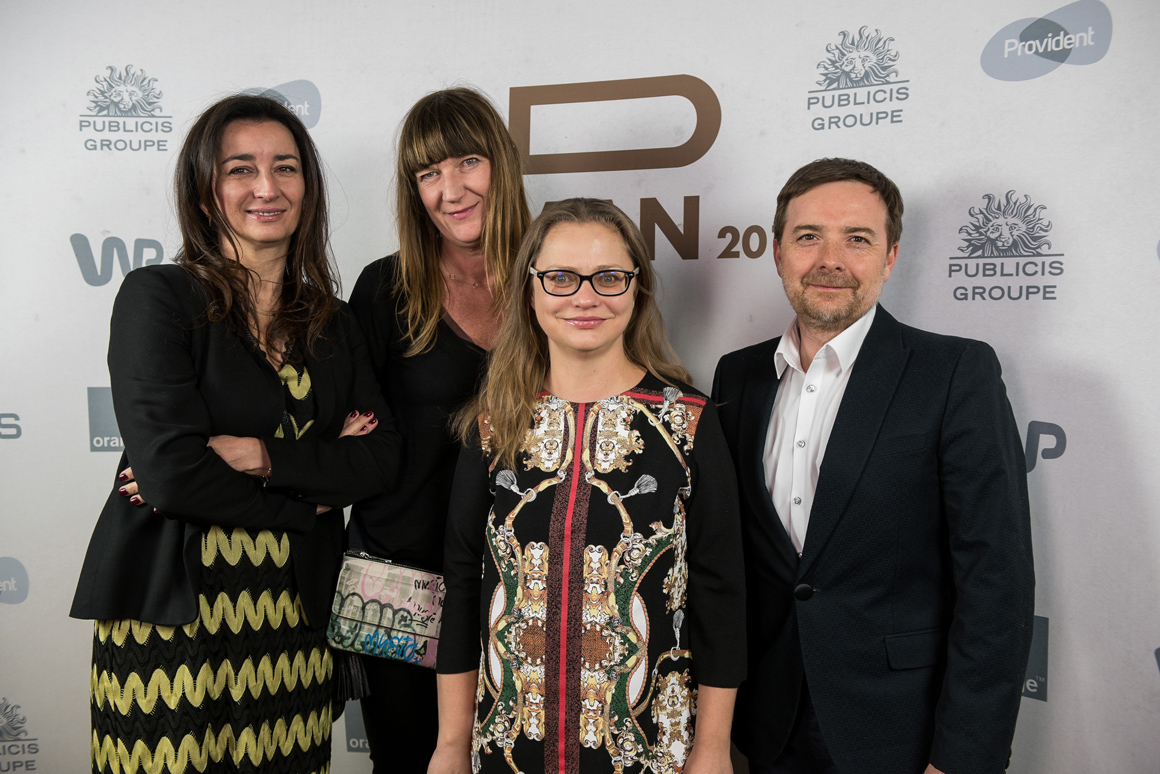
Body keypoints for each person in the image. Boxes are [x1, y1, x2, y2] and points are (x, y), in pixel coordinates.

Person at [70, 94, 400, 774]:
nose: (266, 187)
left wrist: (257, 454)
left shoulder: (335, 323)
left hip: (297, 623)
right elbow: (170, 475)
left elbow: (376, 459)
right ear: (204, 192)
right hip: (173, 625)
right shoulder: (159, 298)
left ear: (307, 188)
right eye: (240, 169)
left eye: (286, 168)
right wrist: (308, 499)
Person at [712, 158, 1035, 774]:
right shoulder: (738, 375)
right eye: (809, 237)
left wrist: (962, 759)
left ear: (890, 258)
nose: (830, 260)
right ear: (778, 252)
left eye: (857, 239)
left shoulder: (953, 373)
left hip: (902, 734)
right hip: (769, 726)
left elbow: (996, 583)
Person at [431, 198, 746, 774]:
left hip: (652, 751)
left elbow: (720, 596)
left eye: (607, 277)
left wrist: (713, 749)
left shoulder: (687, 423)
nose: (584, 297)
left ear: (636, 289)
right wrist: (450, 745)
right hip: (510, 748)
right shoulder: (492, 425)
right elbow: (462, 585)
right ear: (530, 291)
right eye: (560, 277)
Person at [346, 86, 531, 771]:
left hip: (524, 579)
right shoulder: (384, 289)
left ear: (501, 165)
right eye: (428, 173)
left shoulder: (553, 278)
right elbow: (345, 434)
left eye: (468, 162)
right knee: (406, 760)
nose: (451, 190)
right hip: (398, 583)